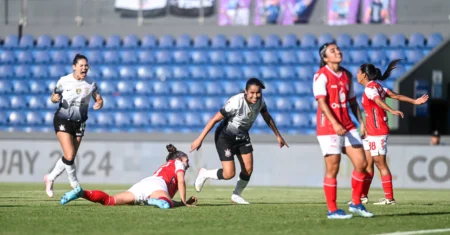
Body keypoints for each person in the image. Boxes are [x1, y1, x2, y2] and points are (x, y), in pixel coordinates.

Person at [190, 78, 289, 204]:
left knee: (248, 169)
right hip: (225, 137)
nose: (255, 96)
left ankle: (236, 195)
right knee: (229, 174)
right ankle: (204, 173)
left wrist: (278, 136)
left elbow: (267, 117)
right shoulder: (235, 102)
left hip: (242, 137)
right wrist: (200, 139)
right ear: (246, 92)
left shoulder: (261, 102)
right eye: (252, 93)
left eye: (258, 93)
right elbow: (214, 119)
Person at [354, 59, 428, 205]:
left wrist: (391, 110)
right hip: (370, 132)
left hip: (378, 130)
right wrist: (414, 101)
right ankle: (362, 196)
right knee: (367, 164)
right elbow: (395, 95)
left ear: (364, 75)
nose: (357, 74)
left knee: (380, 164)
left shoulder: (371, 89)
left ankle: (389, 198)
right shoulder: (378, 87)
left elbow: (378, 102)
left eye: (358, 72)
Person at [313, 42, 373, 219]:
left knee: (362, 164)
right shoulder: (321, 75)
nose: (337, 51)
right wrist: (335, 123)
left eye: (338, 49)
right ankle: (332, 210)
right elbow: (322, 103)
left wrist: (361, 122)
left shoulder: (346, 75)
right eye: (333, 51)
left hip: (347, 125)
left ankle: (356, 203)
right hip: (328, 127)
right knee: (333, 167)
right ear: (325, 58)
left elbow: (353, 102)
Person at [59, 144, 198, 209]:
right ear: (180, 159)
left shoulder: (166, 165)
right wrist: (184, 201)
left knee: (110, 200)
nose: (188, 165)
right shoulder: (178, 163)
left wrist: (183, 203)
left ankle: (82, 193)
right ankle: (151, 201)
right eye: (187, 161)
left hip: (143, 184)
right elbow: (181, 180)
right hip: (157, 185)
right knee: (167, 204)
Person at [44, 54, 103, 198]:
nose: (84, 68)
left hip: (80, 122)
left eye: (86, 66)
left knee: (69, 156)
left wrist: (99, 103)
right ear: (74, 67)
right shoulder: (64, 81)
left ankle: (50, 178)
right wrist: (54, 98)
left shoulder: (91, 83)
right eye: (81, 66)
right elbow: (53, 97)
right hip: (63, 119)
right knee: (70, 155)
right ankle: (75, 184)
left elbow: (99, 97)